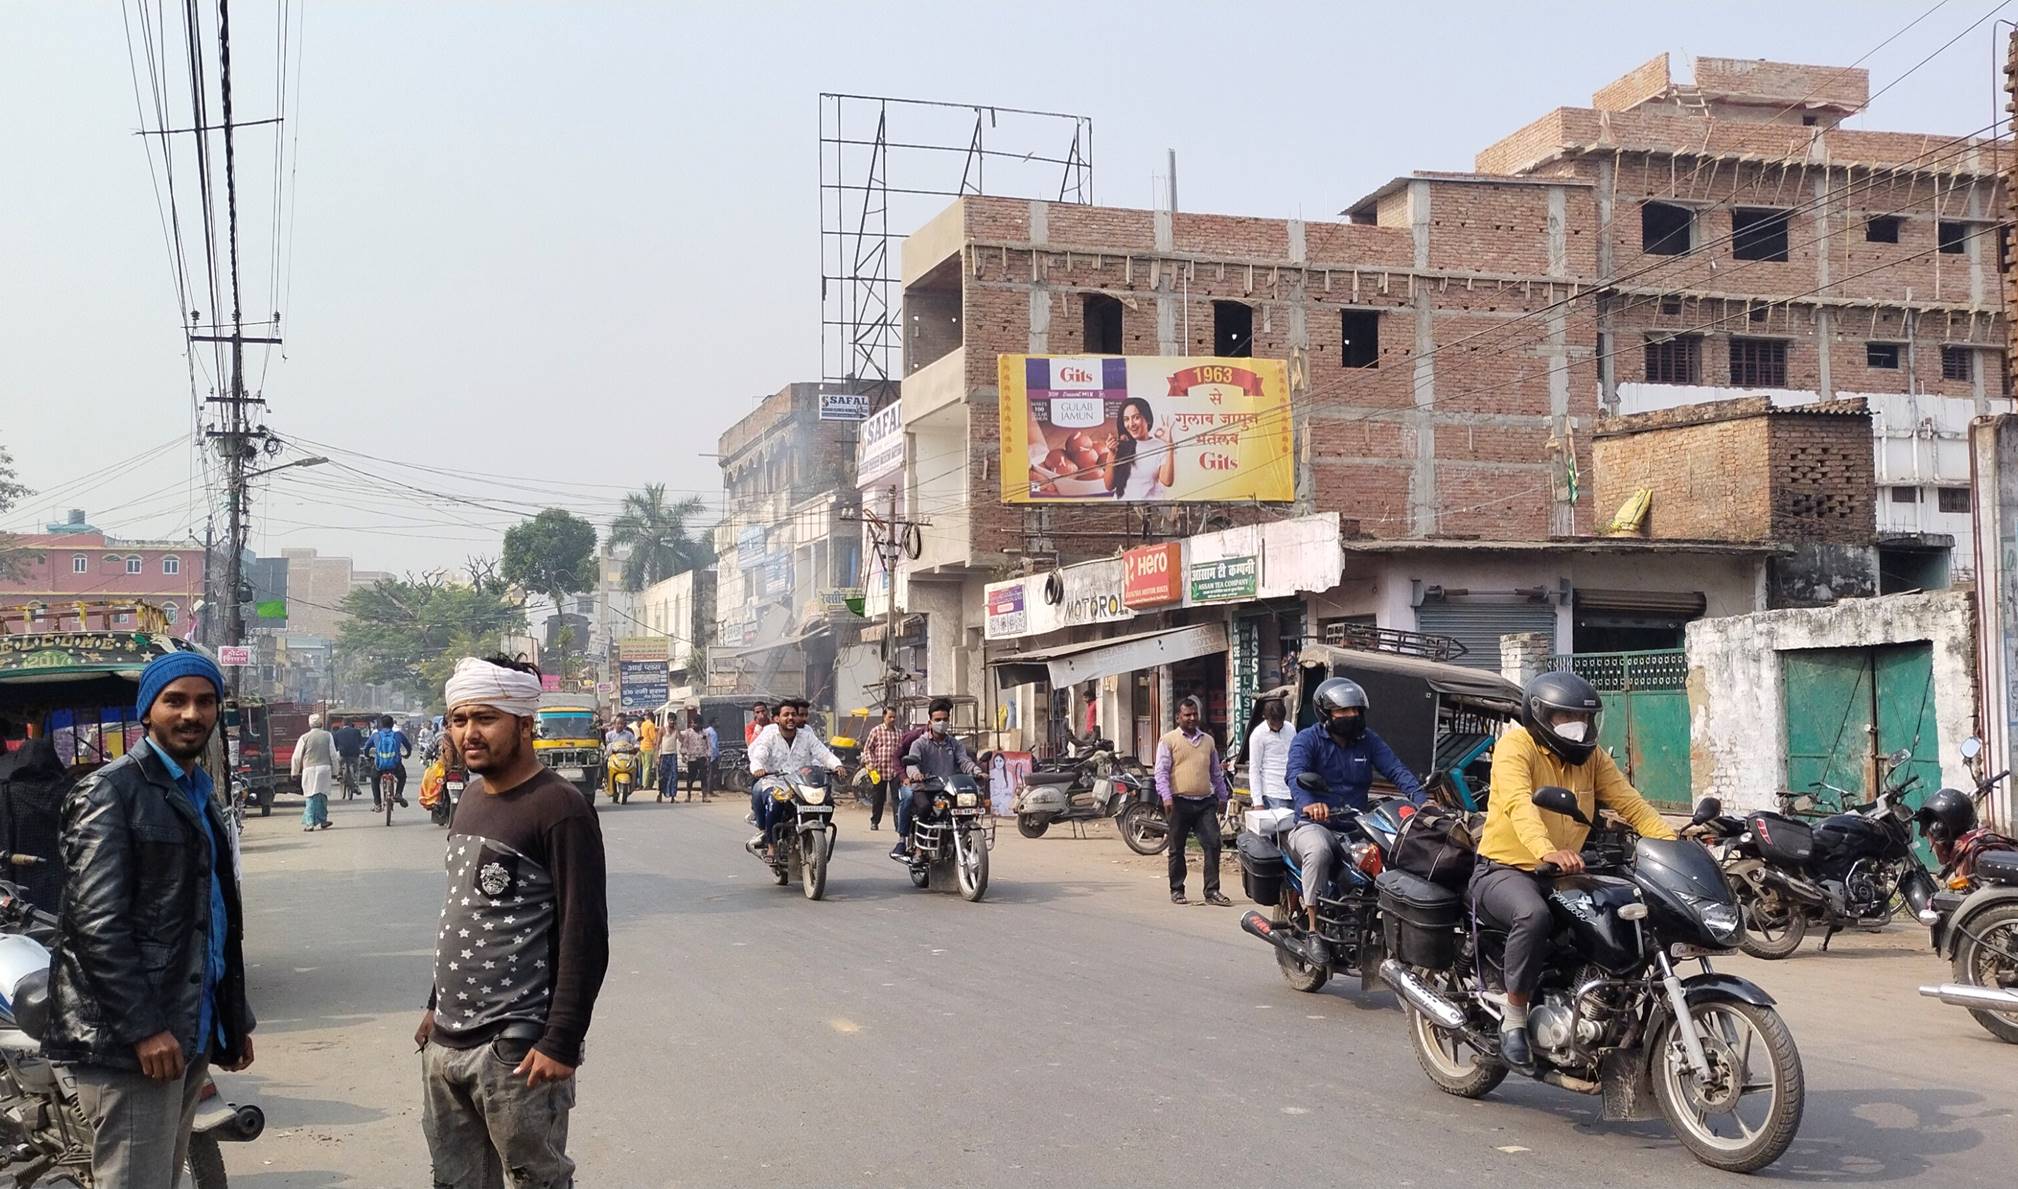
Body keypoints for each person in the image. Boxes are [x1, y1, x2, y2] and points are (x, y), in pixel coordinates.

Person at [46, 650, 255, 1185]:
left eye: (204, 702)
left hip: (187, 1027)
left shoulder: (198, 795)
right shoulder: (110, 792)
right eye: (175, 701)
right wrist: (144, 1029)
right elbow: (96, 925)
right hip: (133, 1042)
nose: (191, 714)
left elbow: (211, 920)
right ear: (148, 711)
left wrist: (232, 1019)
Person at [417, 656, 609, 1188]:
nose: (468, 733)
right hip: (448, 1042)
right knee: (455, 1181)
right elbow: (465, 910)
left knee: (536, 1180)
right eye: (459, 720)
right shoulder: (471, 796)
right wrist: (436, 1004)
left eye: (485, 718)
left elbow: (584, 933)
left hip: (517, 1048)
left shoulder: (559, 807)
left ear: (525, 723)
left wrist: (561, 1040)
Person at [1473, 671, 1677, 1071]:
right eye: (1564, 718)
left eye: (1583, 720)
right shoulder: (1517, 746)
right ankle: (1514, 1019)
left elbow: (1630, 803)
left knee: (1621, 914)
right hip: (1507, 867)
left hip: (1565, 868)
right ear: (1540, 717)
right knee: (1534, 916)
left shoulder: (1592, 757)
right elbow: (1519, 804)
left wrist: (1672, 843)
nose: (1577, 729)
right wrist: (1547, 851)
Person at [1282, 678, 1425, 965]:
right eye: (1343, 712)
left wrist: (1424, 800)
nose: (1351, 717)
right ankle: (1313, 931)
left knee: (1395, 855)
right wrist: (1309, 804)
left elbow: (1396, 769)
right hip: (1315, 825)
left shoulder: (1367, 740)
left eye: (1355, 711)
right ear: (1326, 714)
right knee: (1319, 851)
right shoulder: (1308, 739)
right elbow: (1295, 774)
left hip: (1357, 825)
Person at [1155, 698, 1232, 906]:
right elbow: (1160, 772)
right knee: (1176, 847)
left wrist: (1223, 797)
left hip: (1204, 802)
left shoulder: (1208, 741)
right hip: (1178, 802)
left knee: (1213, 843)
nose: (1191, 718)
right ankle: (1177, 890)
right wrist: (1167, 797)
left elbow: (1216, 772)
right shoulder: (1168, 740)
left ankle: (1212, 891)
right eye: (1187, 715)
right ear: (1178, 717)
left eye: (1194, 714)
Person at [745, 699, 843, 857]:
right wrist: (757, 768)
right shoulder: (770, 735)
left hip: (801, 783)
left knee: (828, 801)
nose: (791, 718)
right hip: (776, 782)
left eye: (793, 715)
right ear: (777, 719)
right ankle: (771, 845)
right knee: (774, 803)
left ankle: (817, 833)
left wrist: (836, 765)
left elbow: (823, 753)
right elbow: (759, 754)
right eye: (786, 715)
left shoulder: (807, 736)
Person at [890, 698, 981, 859]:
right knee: (924, 808)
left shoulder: (954, 744)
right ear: (930, 721)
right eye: (938, 720)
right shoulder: (919, 743)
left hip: (947, 788)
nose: (942, 723)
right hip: (924, 788)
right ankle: (919, 848)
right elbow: (911, 763)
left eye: (945, 719)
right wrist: (915, 774)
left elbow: (964, 760)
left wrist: (977, 770)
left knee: (965, 809)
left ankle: (961, 840)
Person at [1100, 396, 1175, 500]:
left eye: (1136, 417)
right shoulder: (1120, 446)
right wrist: (1112, 453)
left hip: (1148, 511)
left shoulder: (1160, 446)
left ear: (1147, 419)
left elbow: (1167, 481)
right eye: (1126, 419)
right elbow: (1109, 486)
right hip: (1122, 510)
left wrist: (1169, 445)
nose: (1131, 424)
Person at [1247, 698, 1294, 811]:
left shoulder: (1290, 729)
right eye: (1273, 723)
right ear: (1265, 718)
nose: (1277, 726)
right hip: (1272, 794)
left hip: (1292, 792)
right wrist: (1257, 802)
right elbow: (1254, 769)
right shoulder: (1258, 735)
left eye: (1280, 723)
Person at [292, 712, 336, 832]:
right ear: (321, 724)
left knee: (310, 795)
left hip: (309, 769)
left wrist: (294, 772)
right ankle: (322, 820)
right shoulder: (328, 736)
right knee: (322, 795)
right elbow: (333, 754)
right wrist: (336, 771)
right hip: (324, 769)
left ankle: (309, 823)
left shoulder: (304, 737)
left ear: (310, 724)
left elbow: (296, 757)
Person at [862, 707, 902, 832]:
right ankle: (875, 821)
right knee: (878, 798)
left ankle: (898, 824)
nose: (892, 719)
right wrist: (870, 762)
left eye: (894, 717)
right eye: (890, 717)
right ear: (884, 717)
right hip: (879, 770)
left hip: (895, 770)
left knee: (897, 799)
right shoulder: (876, 731)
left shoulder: (899, 733)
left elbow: (903, 750)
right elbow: (867, 749)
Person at [367, 714, 413, 810]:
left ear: (381, 725)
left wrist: (368, 756)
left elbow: (366, 748)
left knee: (374, 779)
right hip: (395, 766)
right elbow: (408, 746)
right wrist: (407, 754)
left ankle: (377, 804)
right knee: (402, 776)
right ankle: (398, 793)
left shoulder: (376, 735)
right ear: (392, 724)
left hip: (380, 766)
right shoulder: (398, 734)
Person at [672, 717, 709, 804]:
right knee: (691, 778)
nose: (693, 725)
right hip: (692, 758)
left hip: (702, 757)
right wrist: (683, 754)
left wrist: (708, 756)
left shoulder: (705, 733)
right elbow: (684, 744)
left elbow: (708, 745)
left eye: (695, 723)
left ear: (700, 724)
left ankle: (705, 797)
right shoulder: (688, 732)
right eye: (692, 723)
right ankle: (688, 796)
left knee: (704, 777)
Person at [332, 716, 366, 797]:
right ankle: (357, 786)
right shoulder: (356, 731)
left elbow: (335, 745)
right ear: (351, 724)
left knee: (338, 759)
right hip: (355, 754)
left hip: (343, 754)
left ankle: (339, 772)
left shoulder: (338, 733)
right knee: (357, 769)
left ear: (342, 724)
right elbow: (360, 742)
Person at [636, 713, 660, 791]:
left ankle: (643, 783)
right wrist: (656, 744)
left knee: (644, 766)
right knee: (647, 767)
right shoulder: (651, 724)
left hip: (642, 746)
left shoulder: (643, 724)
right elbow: (652, 737)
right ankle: (645, 785)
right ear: (652, 717)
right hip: (648, 747)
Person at [702, 717, 720, 795]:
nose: (718, 723)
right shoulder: (712, 733)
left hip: (706, 755)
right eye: (717, 721)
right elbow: (713, 746)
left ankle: (707, 790)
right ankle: (709, 791)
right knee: (711, 774)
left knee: (708, 773)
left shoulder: (706, 731)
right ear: (713, 723)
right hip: (712, 756)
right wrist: (717, 755)